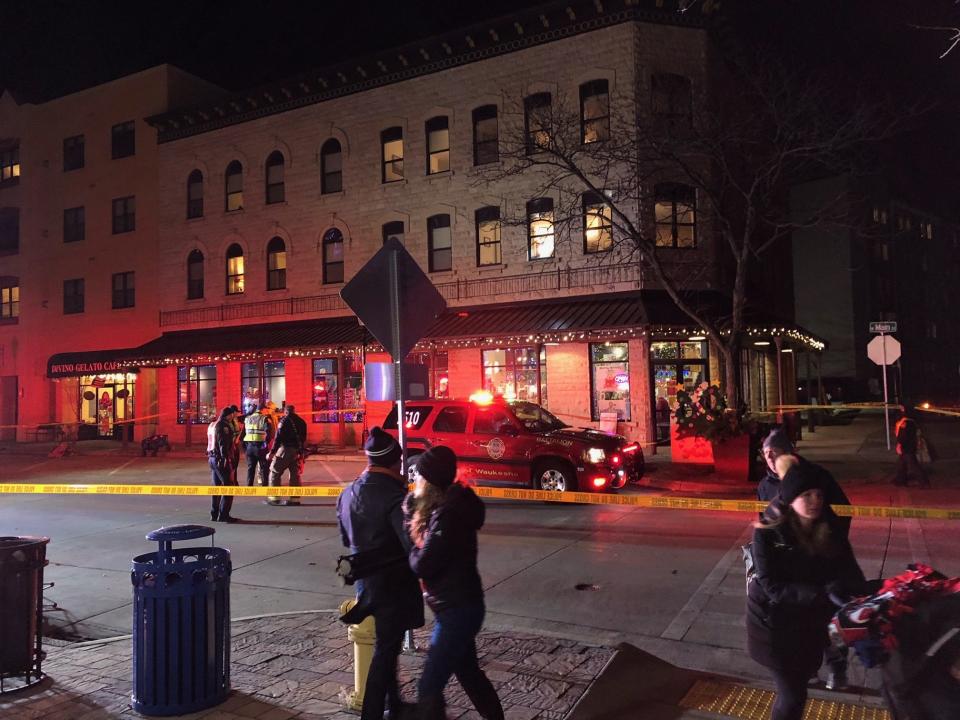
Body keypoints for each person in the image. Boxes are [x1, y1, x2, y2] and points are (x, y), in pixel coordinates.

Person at [747, 455, 867, 720]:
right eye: (807, 495)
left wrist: (862, 593)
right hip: (773, 627)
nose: (815, 501)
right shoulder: (768, 532)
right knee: (793, 695)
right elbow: (772, 586)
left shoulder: (829, 525)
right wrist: (822, 593)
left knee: (799, 688)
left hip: (809, 625)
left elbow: (848, 567)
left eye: (818, 494)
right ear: (791, 497)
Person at [406, 446, 504, 720]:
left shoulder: (449, 515)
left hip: (457, 611)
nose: (417, 482)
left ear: (431, 482)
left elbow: (422, 564)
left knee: (429, 684)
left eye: (421, 477)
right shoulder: (447, 508)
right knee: (469, 674)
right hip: (458, 606)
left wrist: (410, 541)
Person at [337, 427, 424, 720]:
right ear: (394, 462)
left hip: (364, 583)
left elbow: (345, 539)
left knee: (385, 646)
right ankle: (374, 712)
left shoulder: (348, 492)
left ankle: (394, 703)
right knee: (386, 651)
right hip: (393, 585)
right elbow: (410, 544)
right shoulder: (396, 497)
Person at [266, 404, 307, 506]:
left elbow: (278, 438)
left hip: (285, 450)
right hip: (297, 451)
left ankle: (274, 498)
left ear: (285, 412)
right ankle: (295, 500)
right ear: (294, 411)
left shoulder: (283, 421)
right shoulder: (302, 422)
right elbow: (303, 439)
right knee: (295, 475)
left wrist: (272, 452)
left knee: (274, 471)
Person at [207, 407, 239, 523]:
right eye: (232, 415)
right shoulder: (223, 426)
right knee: (228, 486)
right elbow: (222, 443)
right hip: (220, 459)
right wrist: (226, 458)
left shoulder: (212, 424)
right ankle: (224, 515)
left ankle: (214, 514)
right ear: (229, 415)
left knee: (216, 487)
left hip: (212, 458)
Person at [894, 406, 928, 488]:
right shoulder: (910, 422)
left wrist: (899, 444)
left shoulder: (907, 422)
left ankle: (924, 483)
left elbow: (904, 435)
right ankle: (900, 481)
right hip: (908, 446)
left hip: (907, 447)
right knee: (901, 464)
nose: (901, 411)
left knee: (913, 465)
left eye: (902, 409)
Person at [243, 403, 275, 487]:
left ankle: (249, 486)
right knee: (264, 467)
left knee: (251, 468)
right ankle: (264, 486)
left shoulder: (248, 418)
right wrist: (266, 444)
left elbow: (243, 434)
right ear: (263, 409)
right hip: (260, 446)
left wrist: (246, 447)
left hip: (249, 447)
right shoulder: (264, 419)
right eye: (266, 409)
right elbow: (269, 433)